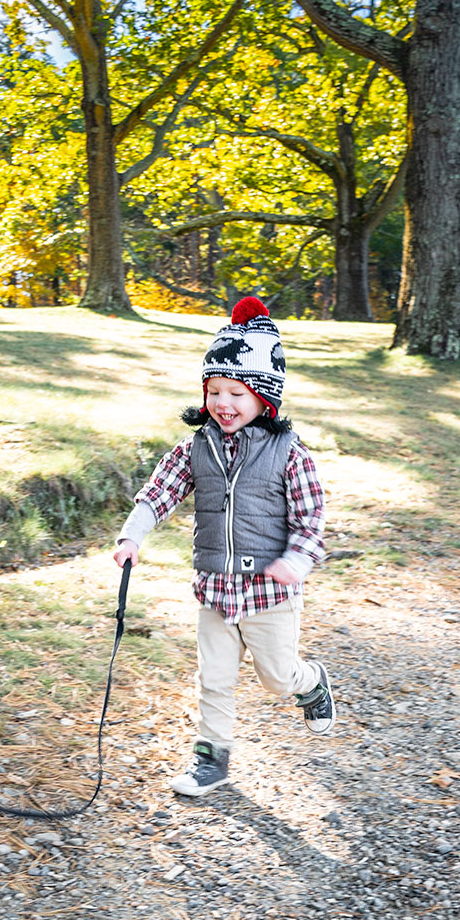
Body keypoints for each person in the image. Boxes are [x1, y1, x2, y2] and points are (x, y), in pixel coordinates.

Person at [113, 296, 333, 797]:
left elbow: (310, 516)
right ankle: (212, 757)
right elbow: (159, 492)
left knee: (276, 677)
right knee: (214, 676)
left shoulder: (288, 453)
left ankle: (311, 682)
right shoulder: (196, 448)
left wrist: (297, 560)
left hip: (268, 595)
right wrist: (132, 535)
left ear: (265, 398)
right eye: (215, 390)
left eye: (237, 391)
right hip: (214, 588)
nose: (223, 403)